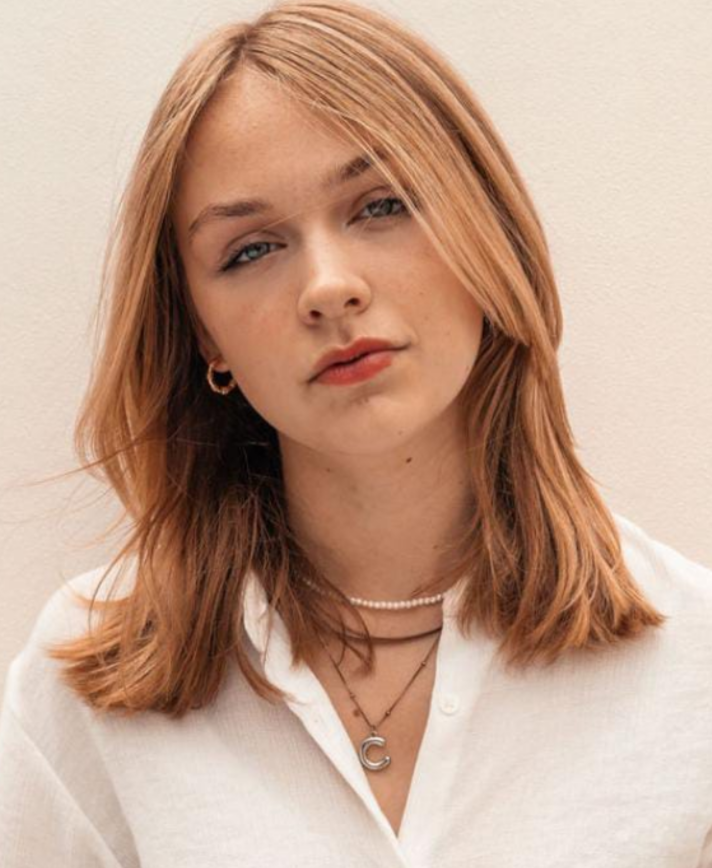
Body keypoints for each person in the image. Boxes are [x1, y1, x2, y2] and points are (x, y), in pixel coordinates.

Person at [1, 1, 711, 865]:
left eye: (380, 205)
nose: (328, 286)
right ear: (203, 337)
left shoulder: (693, 671)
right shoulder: (85, 691)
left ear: (487, 236)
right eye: (250, 250)